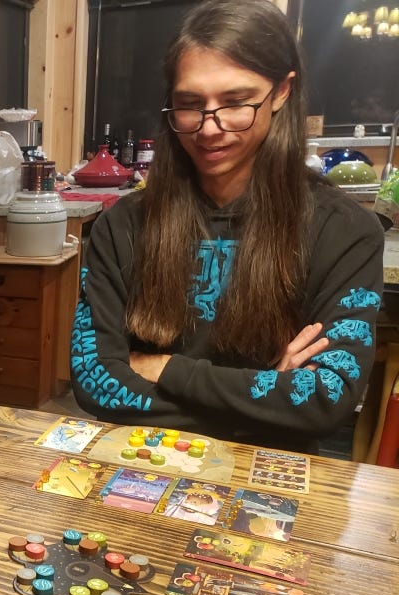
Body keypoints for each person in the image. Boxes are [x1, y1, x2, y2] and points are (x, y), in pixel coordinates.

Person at [71, 0, 385, 452]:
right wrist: (266, 402)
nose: (209, 128)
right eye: (190, 104)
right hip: (143, 461)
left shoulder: (346, 231)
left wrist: (164, 367)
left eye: (236, 102)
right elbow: (94, 380)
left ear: (282, 92)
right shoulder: (120, 225)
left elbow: (325, 398)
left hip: (269, 473)